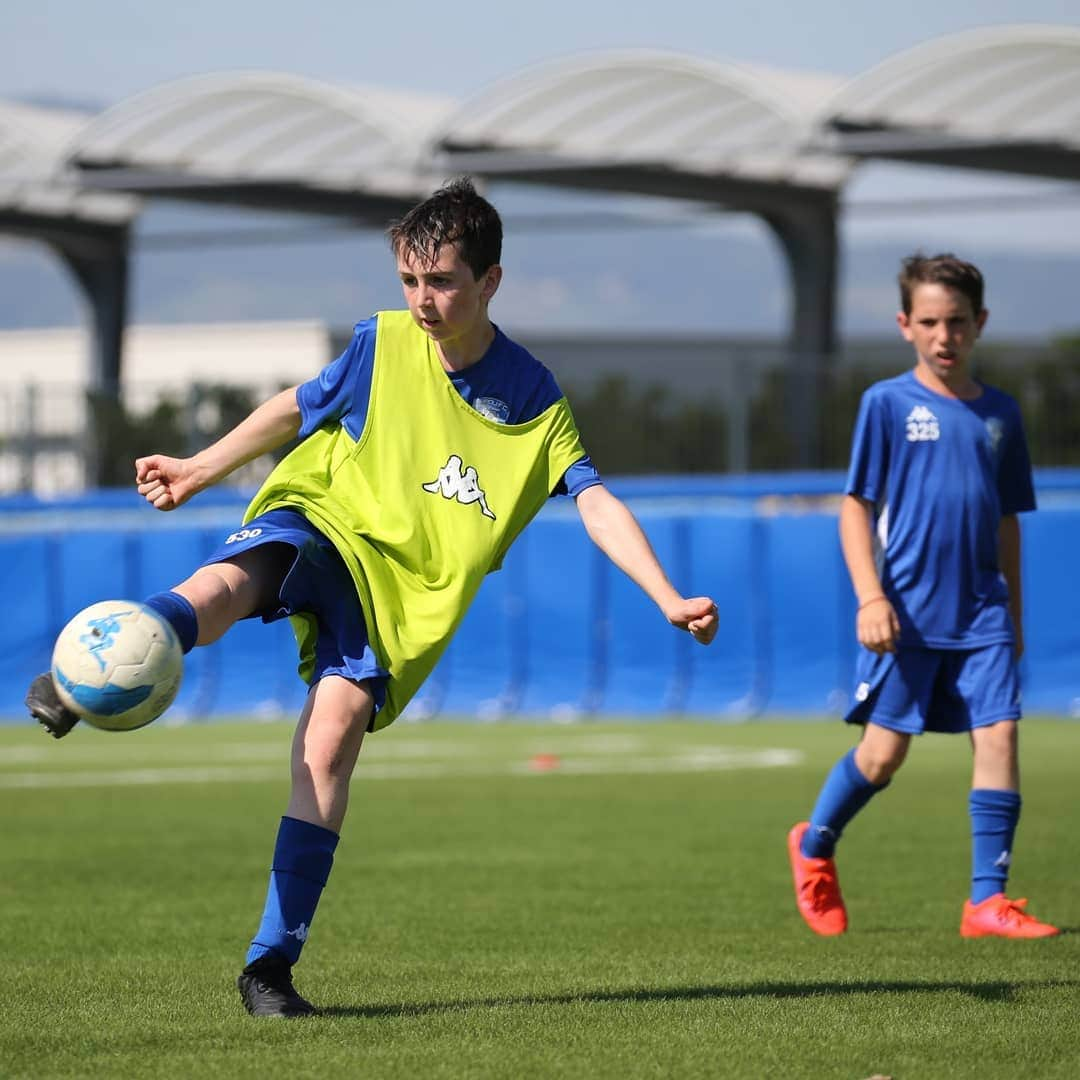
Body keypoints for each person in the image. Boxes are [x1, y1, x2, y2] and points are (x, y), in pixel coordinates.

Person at [25, 177, 719, 1016]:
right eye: (409, 280)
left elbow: (594, 499)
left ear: (490, 282)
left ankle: (268, 968)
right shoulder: (381, 343)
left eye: (443, 282)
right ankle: (82, 675)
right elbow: (296, 407)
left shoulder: (534, 399)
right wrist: (199, 468)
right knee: (229, 583)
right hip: (323, 516)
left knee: (329, 748)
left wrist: (665, 594)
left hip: (399, 595)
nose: (423, 301)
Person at [786, 252, 1058, 940]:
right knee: (882, 758)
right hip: (906, 614)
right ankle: (814, 848)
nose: (945, 336)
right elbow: (856, 508)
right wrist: (870, 598)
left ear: (981, 323)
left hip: (983, 613)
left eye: (958, 322)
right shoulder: (887, 404)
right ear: (906, 324)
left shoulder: (1002, 414)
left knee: (998, 733)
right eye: (930, 322)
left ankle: (986, 902)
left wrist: (1014, 619)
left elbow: (1006, 520)